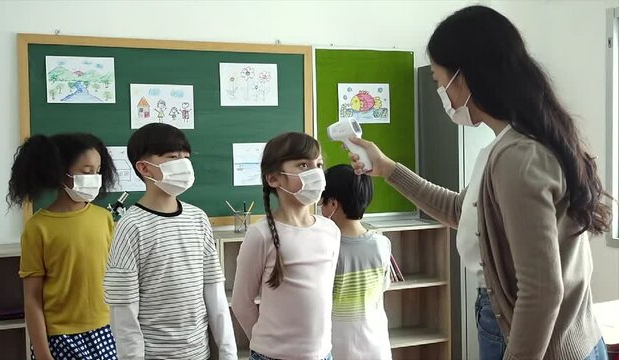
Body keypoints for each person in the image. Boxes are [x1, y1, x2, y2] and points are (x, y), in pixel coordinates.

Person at [348, 5, 610, 360]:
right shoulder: (510, 145)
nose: (442, 93)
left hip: (537, 342)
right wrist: (388, 168)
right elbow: (463, 212)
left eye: (440, 82)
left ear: (465, 77)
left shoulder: (516, 157)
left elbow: (542, 291)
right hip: (553, 336)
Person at [103, 123, 237, 360]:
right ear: (145, 168)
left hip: (199, 354)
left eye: (186, 157)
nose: (184, 164)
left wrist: (228, 353)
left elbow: (214, 291)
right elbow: (124, 312)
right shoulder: (130, 226)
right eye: (173, 157)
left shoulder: (198, 218)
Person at [7, 133, 118, 360]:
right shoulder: (38, 228)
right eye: (86, 172)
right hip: (60, 338)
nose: (94, 178)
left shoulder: (104, 219)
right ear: (59, 173)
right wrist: (43, 353)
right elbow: (32, 298)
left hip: (107, 329)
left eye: (97, 172)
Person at [231, 132, 340, 360]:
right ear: (273, 179)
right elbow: (242, 302)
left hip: (322, 354)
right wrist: (267, 345)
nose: (315, 172)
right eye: (303, 165)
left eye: (318, 164)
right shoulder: (261, 235)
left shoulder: (330, 230)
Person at [320, 164, 392, 360]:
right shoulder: (382, 244)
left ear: (333, 204)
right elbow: (383, 288)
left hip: (338, 349)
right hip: (377, 347)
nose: (320, 207)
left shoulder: (326, 248)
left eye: (322, 202)